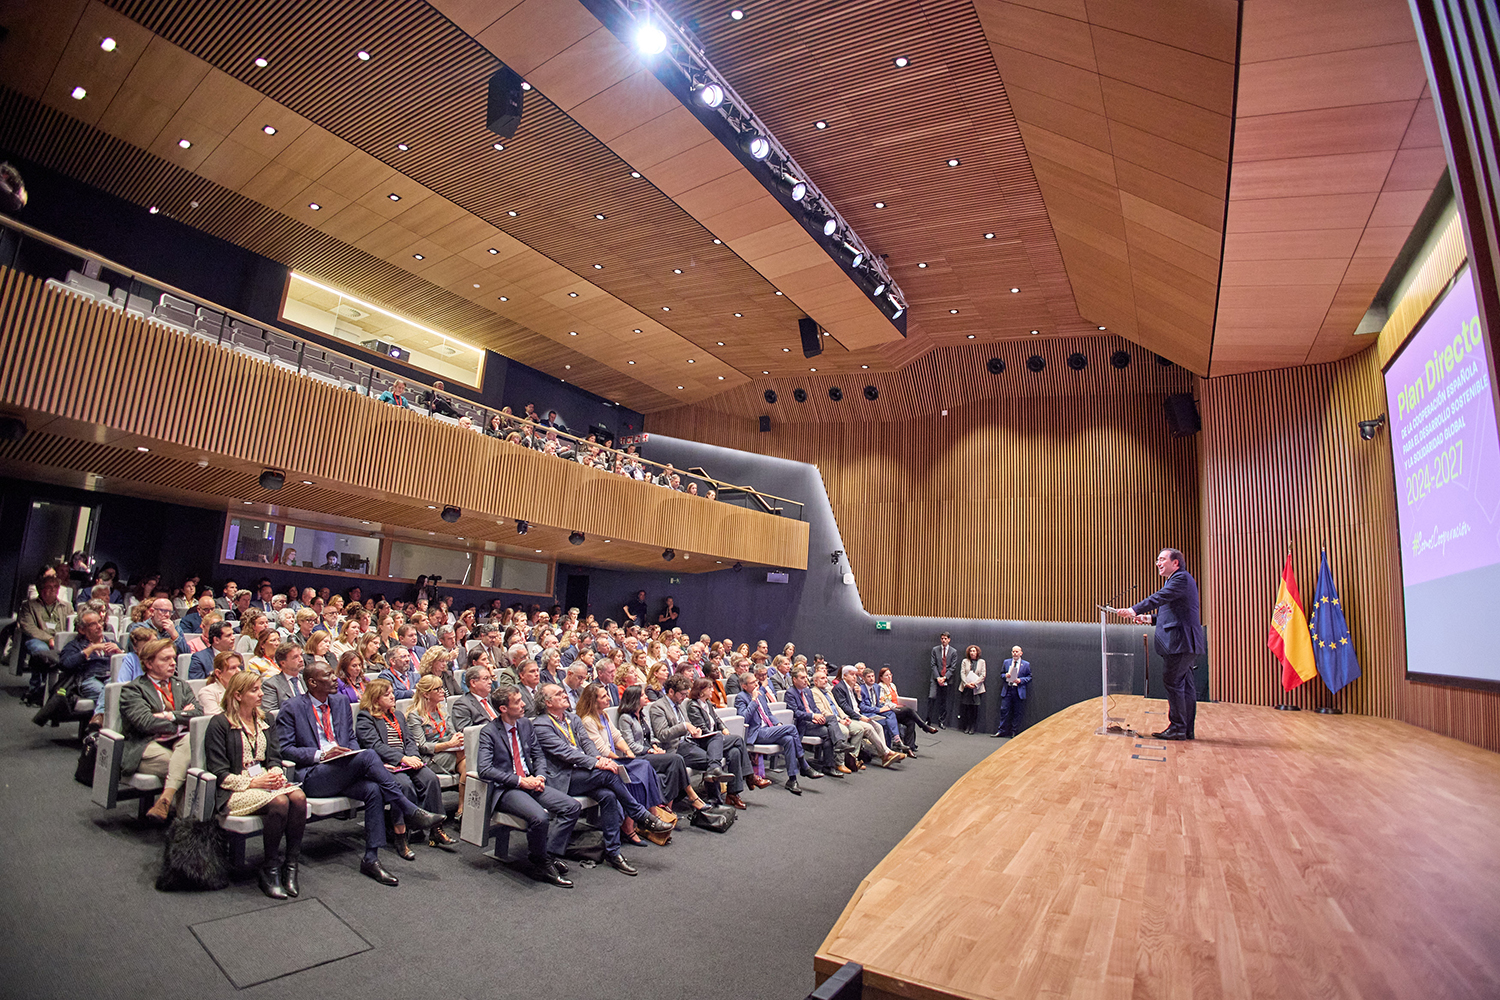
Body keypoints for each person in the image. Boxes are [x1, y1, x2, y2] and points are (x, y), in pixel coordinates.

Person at [274, 663, 444, 885]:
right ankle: (408, 808)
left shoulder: (340, 702)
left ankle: (371, 858)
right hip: (315, 775)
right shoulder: (292, 707)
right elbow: (285, 749)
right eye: (328, 675)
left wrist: (354, 755)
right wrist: (322, 754)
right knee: (370, 756)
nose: (335, 678)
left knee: (373, 789)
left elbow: (351, 739)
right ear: (312, 682)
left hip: (344, 768)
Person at [531, 683, 673, 875]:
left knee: (609, 796)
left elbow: (587, 743)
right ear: (548, 703)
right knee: (608, 774)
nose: (565, 694)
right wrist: (596, 763)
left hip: (585, 772)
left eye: (564, 692)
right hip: (563, 777)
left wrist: (598, 758)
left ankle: (613, 852)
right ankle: (640, 814)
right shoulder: (541, 724)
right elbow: (565, 753)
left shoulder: (572, 718)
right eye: (558, 694)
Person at [205, 671, 308, 899]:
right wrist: (254, 782)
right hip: (234, 789)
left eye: (261, 688)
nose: (261, 694)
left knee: (299, 798)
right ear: (238, 695)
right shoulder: (220, 724)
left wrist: (275, 772)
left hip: (263, 781)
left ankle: (291, 864)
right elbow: (219, 772)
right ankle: (269, 868)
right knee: (280, 801)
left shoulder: (265, 720)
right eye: (254, 690)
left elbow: (274, 756)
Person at [473, 684, 577, 887]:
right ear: (503, 708)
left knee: (571, 807)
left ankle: (549, 853)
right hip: (507, 789)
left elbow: (537, 754)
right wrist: (521, 781)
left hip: (531, 781)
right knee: (540, 818)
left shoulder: (525, 725)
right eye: (518, 702)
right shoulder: (489, 732)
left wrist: (540, 776)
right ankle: (540, 863)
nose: (523, 705)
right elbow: (484, 769)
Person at [1116, 547, 1203, 739]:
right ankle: (1185, 729)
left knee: (1173, 682)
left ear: (1175, 563)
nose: (1158, 563)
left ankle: (1178, 728)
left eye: (1162, 559)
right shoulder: (1179, 581)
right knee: (1185, 685)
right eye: (1157, 560)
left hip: (1180, 642)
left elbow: (1159, 598)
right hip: (1185, 642)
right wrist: (1148, 619)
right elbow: (1173, 613)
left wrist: (1134, 610)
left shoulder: (1180, 578)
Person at [355, 679, 447, 858]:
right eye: (387, 694)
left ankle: (436, 830)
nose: (392, 696)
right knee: (404, 786)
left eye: (392, 692)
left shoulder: (397, 715)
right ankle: (401, 836)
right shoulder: (366, 717)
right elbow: (374, 745)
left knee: (430, 779)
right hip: (385, 764)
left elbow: (410, 740)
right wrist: (402, 758)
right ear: (375, 698)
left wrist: (412, 757)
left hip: (407, 760)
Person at [578, 683, 677, 846]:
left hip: (614, 758)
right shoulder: (588, 720)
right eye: (603, 696)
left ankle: (648, 816)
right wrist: (620, 760)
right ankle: (634, 825)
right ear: (593, 701)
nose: (608, 698)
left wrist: (629, 754)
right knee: (635, 773)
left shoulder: (604, 715)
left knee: (644, 766)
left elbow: (617, 737)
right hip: (603, 762)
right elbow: (600, 749)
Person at [119, 638, 202, 821]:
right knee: (189, 769)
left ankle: (165, 801)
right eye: (165, 659)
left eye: (173, 658)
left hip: (178, 741)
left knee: (189, 743)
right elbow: (145, 724)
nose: (173, 663)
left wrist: (169, 716)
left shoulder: (181, 685)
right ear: (149, 663)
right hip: (145, 745)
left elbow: (198, 713)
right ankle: (185, 828)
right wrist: (182, 718)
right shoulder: (133, 690)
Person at [405, 676, 464, 845]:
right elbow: (422, 746)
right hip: (429, 758)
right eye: (437, 689)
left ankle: (460, 810)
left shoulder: (442, 711)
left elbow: (452, 732)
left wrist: (457, 738)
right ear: (425, 694)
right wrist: (448, 744)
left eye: (441, 688)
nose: (442, 692)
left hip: (450, 753)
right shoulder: (414, 716)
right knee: (468, 758)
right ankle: (461, 810)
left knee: (467, 760)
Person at [738, 672, 811, 794]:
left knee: (788, 739)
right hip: (756, 733)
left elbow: (769, 714)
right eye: (752, 683)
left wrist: (777, 724)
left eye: (756, 681)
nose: (756, 684)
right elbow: (743, 718)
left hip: (769, 729)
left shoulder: (760, 695)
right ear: (744, 686)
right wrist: (753, 700)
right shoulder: (741, 697)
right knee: (792, 728)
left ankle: (792, 779)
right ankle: (803, 763)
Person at [684, 677, 751, 806]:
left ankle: (732, 794)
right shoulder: (693, 706)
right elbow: (703, 729)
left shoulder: (708, 703)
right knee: (737, 739)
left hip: (715, 738)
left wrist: (724, 729)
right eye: (709, 688)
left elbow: (717, 719)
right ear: (701, 691)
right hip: (704, 741)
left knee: (735, 752)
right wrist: (720, 736)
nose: (712, 690)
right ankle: (750, 776)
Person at [836, 666, 905, 766]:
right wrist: (859, 717)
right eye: (852, 674)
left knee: (879, 726)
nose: (855, 677)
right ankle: (886, 753)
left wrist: (858, 694)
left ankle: (884, 754)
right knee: (869, 728)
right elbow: (845, 707)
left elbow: (857, 704)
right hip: (850, 717)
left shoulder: (852, 687)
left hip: (857, 714)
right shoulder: (840, 688)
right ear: (844, 676)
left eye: (855, 675)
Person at [19, 574, 70, 705]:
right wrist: (49, 639)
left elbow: (72, 626)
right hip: (38, 639)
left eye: (56, 587)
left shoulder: (66, 606)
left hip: (60, 640)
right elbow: (28, 627)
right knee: (42, 651)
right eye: (49, 587)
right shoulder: (28, 606)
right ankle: (36, 689)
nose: (54, 590)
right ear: (40, 589)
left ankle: (55, 689)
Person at [783, 666, 843, 776]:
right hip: (803, 725)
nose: (806, 680)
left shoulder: (807, 691)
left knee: (832, 718)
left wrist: (818, 716)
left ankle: (838, 745)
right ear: (794, 679)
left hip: (813, 721)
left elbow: (814, 707)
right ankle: (828, 765)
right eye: (802, 678)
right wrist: (812, 716)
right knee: (828, 732)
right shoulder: (790, 693)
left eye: (806, 677)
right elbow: (795, 713)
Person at [876, 665, 937, 749]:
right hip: (889, 710)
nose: (889, 677)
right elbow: (883, 702)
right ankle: (924, 726)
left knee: (910, 721)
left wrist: (901, 703)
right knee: (909, 710)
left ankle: (909, 746)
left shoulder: (893, 686)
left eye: (890, 675)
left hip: (897, 709)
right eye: (887, 675)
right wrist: (896, 705)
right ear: (881, 677)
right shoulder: (880, 687)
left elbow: (896, 698)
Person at [993, 645, 1032, 738]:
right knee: (1004, 711)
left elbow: (1029, 677)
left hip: (1018, 691)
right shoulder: (1006, 662)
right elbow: (1001, 674)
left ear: (1021, 653)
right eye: (1013, 651)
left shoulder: (1026, 664)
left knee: (1017, 712)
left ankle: (1014, 732)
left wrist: (1020, 680)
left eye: (1017, 652)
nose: (1015, 653)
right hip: (1008, 690)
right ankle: (1001, 731)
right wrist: (1005, 676)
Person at [261, 643, 309, 713]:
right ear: (283, 663)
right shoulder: (270, 685)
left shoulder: (307, 679)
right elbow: (271, 714)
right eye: (295, 657)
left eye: (301, 655)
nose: (301, 659)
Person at [196, 650, 243, 715]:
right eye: (232, 668)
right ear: (218, 673)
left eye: (239, 667)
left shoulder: (245, 689)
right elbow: (217, 720)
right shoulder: (207, 692)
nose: (239, 671)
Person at [929, 631, 959, 729]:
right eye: (942, 638)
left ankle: (941, 721)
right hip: (935, 678)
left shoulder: (953, 651)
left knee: (943, 701)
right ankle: (928, 719)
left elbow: (953, 667)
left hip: (947, 679)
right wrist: (938, 677)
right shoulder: (935, 650)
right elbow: (933, 665)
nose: (943, 640)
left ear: (949, 640)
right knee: (932, 697)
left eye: (945, 639)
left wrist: (945, 677)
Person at [957, 645, 987, 735]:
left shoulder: (982, 662)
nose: (972, 652)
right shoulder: (965, 661)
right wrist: (966, 684)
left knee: (974, 708)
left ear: (977, 652)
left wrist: (975, 683)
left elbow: (983, 675)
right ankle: (966, 726)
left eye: (974, 651)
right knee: (966, 708)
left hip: (976, 689)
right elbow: (962, 673)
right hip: (966, 688)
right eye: (971, 651)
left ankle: (972, 727)